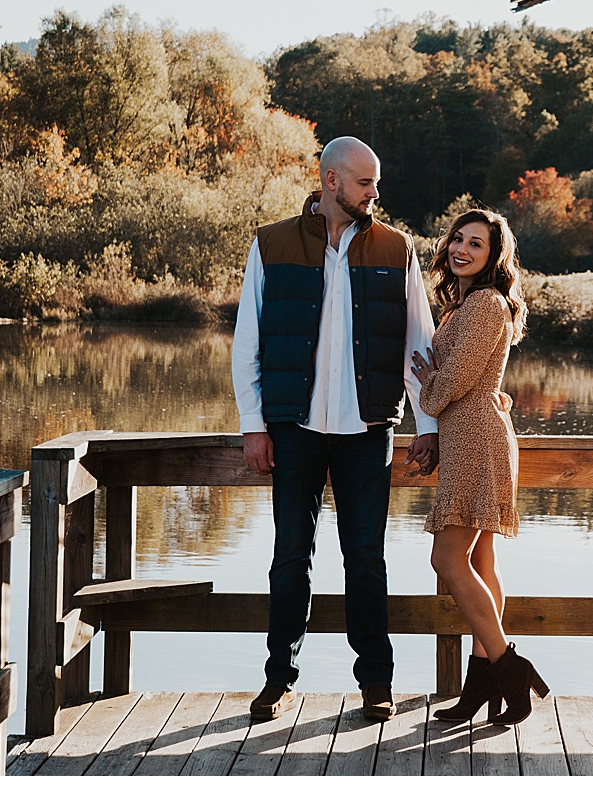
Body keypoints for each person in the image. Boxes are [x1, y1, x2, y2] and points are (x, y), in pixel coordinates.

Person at [231, 136, 440, 723]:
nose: (376, 193)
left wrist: (426, 425)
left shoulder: (396, 248)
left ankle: (375, 681)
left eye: (376, 183)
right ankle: (278, 679)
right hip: (292, 430)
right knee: (289, 556)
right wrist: (254, 426)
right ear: (330, 181)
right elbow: (248, 342)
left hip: (367, 431)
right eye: (366, 182)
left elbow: (417, 346)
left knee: (366, 559)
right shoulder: (271, 244)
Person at [410, 208, 548, 725]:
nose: (461, 250)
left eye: (477, 244)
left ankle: (512, 667)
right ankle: (481, 682)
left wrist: (428, 382)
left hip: (477, 440)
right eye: (458, 239)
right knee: (483, 563)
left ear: (495, 257)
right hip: (470, 436)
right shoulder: (467, 305)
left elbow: (449, 386)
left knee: (447, 561)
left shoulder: (487, 305)